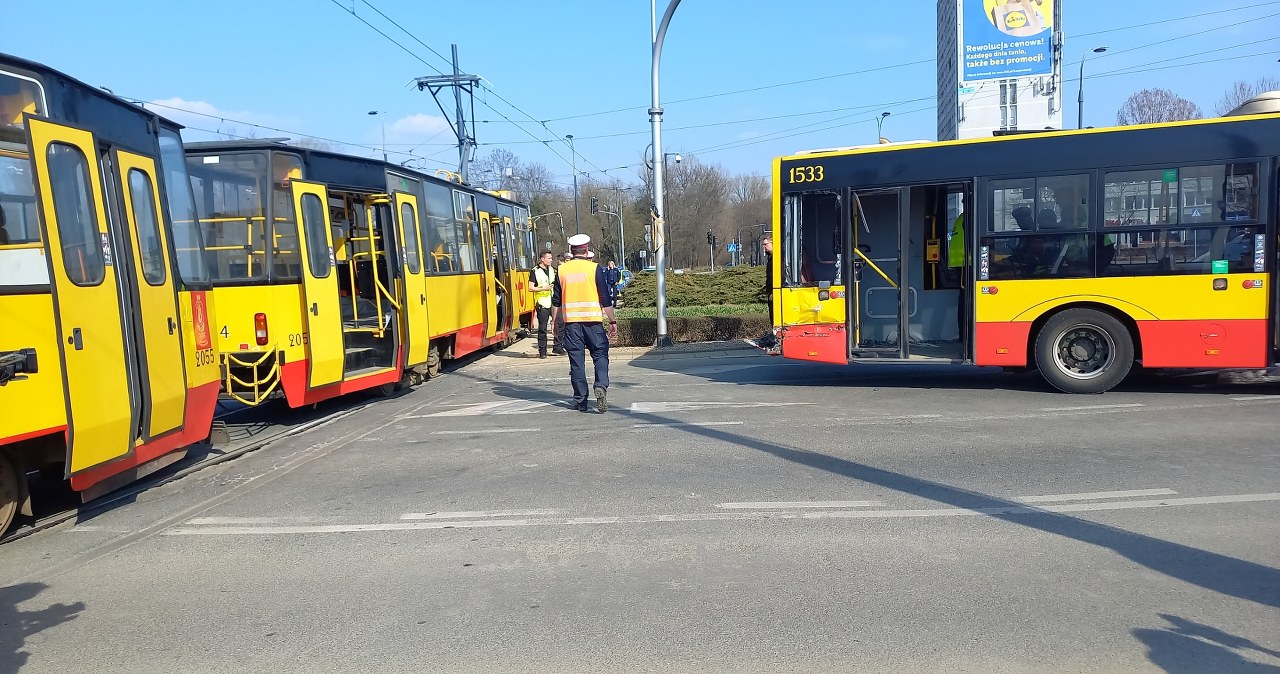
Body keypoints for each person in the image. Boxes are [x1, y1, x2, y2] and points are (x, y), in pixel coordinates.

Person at [551, 233, 618, 413]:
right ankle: (601, 385)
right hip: (593, 323)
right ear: (587, 249)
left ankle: (581, 401)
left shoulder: (562, 270)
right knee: (600, 355)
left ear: (572, 251)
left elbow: (556, 300)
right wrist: (612, 320)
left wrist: (555, 322)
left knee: (576, 363)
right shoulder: (594, 269)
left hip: (571, 324)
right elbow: (605, 298)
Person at [529, 251, 557, 358]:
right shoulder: (534, 271)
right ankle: (542, 351)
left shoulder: (551, 270)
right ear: (542, 259)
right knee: (543, 328)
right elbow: (530, 287)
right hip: (542, 302)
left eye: (551, 258)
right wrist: (543, 288)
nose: (551, 260)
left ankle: (558, 346)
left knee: (558, 324)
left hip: (553, 301)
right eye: (549, 258)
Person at [756, 236, 775, 348]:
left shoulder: (776, 259)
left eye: (766, 244)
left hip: (774, 293)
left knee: (774, 314)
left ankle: (775, 336)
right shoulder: (771, 258)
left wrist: (774, 291)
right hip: (771, 291)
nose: (764, 247)